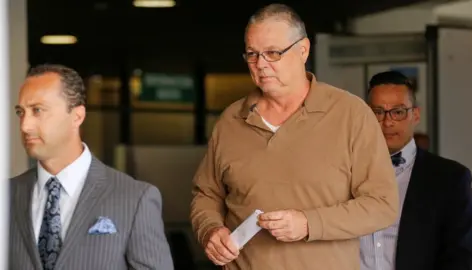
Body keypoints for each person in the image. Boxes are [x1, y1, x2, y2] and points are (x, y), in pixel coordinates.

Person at [190, 4, 399, 270]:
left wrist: (309, 224)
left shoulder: (351, 115)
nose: (261, 64)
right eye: (252, 54)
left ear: (303, 50)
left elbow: (382, 205)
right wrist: (210, 230)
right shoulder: (231, 121)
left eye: (273, 53)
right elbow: (206, 194)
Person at [9, 64, 174, 270]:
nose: (25, 125)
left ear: (77, 116)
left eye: (38, 110)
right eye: (20, 112)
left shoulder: (134, 199)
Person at [361, 70, 472, 270]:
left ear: (415, 115)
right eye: (378, 112)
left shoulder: (450, 179)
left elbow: (462, 258)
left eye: (398, 112)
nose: (387, 122)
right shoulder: (344, 172)